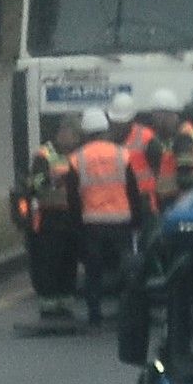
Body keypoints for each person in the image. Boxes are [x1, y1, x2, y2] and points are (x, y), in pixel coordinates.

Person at [22, 119, 87, 325]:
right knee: (50, 263)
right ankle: (49, 310)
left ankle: (65, 306)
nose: (75, 140)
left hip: (71, 218)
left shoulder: (77, 155)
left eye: (77, 136)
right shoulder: (44, 155)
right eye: (72, 134)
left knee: (68, 262)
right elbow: (34, 184)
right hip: (49, 220)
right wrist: (52, 180)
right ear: (61, 133)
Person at [72, 122, 139, 320]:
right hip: (121, 220)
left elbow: (72, 197)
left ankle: (94, 314)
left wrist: (77, 225)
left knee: (94, 270)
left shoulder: (78, 158)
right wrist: (136, 219)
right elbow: (132, 189)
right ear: (105, 131)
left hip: (92, 222)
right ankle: (127, 311)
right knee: (125, 267)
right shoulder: (121, 154)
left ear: (86, 132)